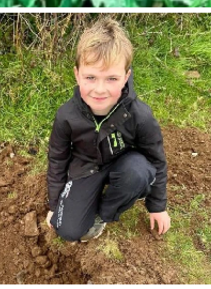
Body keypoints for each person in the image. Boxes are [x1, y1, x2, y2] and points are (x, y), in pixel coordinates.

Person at [45, 17, 171, 242]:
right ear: (77, 75)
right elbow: (57, 159)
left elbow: (157, 160)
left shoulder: (140, 115)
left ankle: (104, 213)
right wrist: (54, 205)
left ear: (126, 77)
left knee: (138, 174)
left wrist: (157, 206)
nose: (100, 90)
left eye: (112, 78)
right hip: (85, 168)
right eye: (90, 77)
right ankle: (86, 197)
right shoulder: (66, 115)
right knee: (67, 231)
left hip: (125, 164)